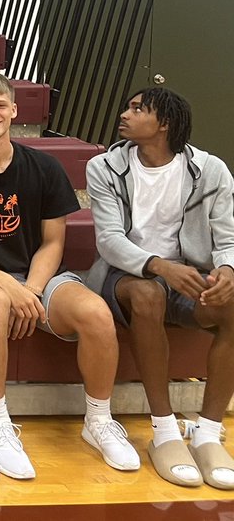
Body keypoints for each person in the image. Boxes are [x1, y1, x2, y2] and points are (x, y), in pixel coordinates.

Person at [0, 72, 139, 480]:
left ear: (15, 111)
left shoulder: (43, 166)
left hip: (38, 276)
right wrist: (10, 288)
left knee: (96, 313)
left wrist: (32, 290)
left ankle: (98, 420)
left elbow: (53, 243)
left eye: (0, 105)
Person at [85, 88, 234, 490]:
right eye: (128, 107)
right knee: (149, 294)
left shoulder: (211, 170)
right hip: (127, 276)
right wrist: (158, 266)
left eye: (137, 109)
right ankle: (165, 431)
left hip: (187, 276)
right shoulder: (105, 166)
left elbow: (227, 237)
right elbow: (110, 241)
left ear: (164, 124)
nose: (125, 114)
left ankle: (206, 433)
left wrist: (226, 270)